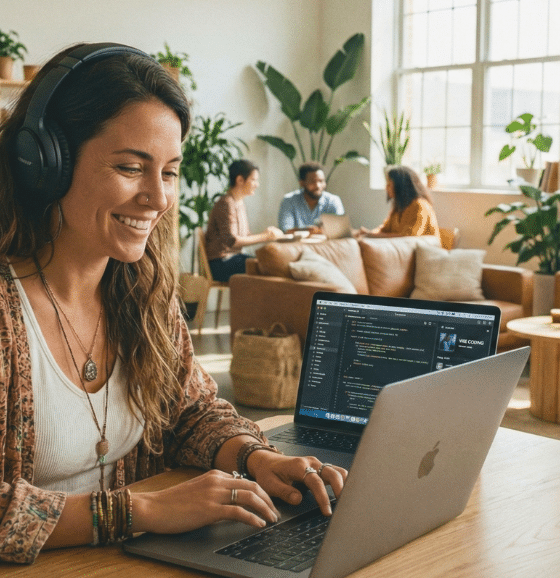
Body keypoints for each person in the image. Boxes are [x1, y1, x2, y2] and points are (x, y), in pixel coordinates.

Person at [0, 43, 347, 564]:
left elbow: (190, 412)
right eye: (130, 167)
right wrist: (141, 510)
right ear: (45, 162)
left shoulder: (142, 291)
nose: (159, 200)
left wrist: (254, 457)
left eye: (168, 171)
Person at [205, 159, 283, 282]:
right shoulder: (226, 203)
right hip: (220, 264)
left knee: (273, 262)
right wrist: (265, 236)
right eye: (254, 180)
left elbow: (245, 236)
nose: (257, 184)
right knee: (268, 266)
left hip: (233, 259)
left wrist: (266, 234)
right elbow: (232, 241)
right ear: (240, 180)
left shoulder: (238, 202)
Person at [355, 165, 440, 241]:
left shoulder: (420, 205)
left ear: (401, 186)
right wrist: (367, 233)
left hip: (426, 255)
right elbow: (384, 229)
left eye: (389, 184)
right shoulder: (399, 207)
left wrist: (371, 235)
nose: (386, 188)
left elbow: (407, 238)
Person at [278, 162, 344, 233]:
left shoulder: (333, 200)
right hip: (297, 243)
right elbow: (286, 230)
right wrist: (308, 230)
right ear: (302, 183)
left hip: (326, 243)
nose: (318, 186)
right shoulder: (289, 201)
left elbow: (340, 230)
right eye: (313, 181)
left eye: (321, 181)